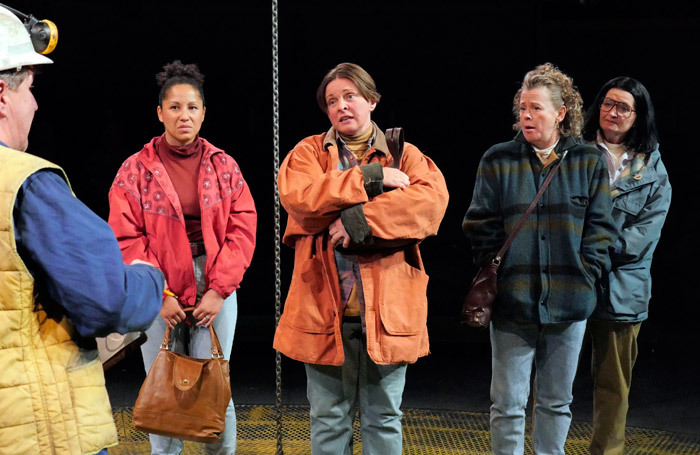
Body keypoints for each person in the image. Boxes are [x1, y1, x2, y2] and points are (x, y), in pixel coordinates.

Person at [0, 6, 165, 455]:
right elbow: (104, 301)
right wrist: (148, 276)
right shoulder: (27, 184)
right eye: (31, 88)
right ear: (1, 92)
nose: (34, 103)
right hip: (35, 429)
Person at [273, 62, 448, 454]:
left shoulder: (405, 155)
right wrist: (371, 177)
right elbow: (300, 198)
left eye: (350, 96)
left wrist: (356, 219)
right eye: (332, 101)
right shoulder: (308, 152)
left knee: (384, 418)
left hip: (387, 312)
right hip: (322, 310)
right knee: (328, 421)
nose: (341, 106)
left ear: (371, 100)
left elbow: (429, 205)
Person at [462, 63, 617, 455]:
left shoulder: (588, 161)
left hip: (570, 304)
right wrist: (503, 272)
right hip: (514, 303)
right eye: (522, 109)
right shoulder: (498, 159)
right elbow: (479, 223)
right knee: (508, 405)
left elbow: (601, 229)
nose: (526, 116)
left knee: (556, 403)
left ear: (561, 113)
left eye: (536, 109)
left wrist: (586, 273)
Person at [108, 60, 257, 455]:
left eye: (192, 107)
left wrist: (219, 291)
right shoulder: (135, 170)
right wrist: (160, 294)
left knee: (213, 385)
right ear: (160, 113)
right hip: (158, 285)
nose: (184, 115)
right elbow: (125, 237)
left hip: (214, 281)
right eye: (174, 107)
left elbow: (242, 231)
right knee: (163, 384)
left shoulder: (224, 166)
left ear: (204, 112)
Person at [581, 77, 671, 455]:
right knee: (550, 381)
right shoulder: (575, 153)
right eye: (607, 104)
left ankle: (608, 451)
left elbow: (642, 236)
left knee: (613, 385)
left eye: (623, 108)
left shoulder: (652, 169)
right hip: (570, 281)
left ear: (638, 116)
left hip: (622, 290)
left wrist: (595, 249)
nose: (613, 113)